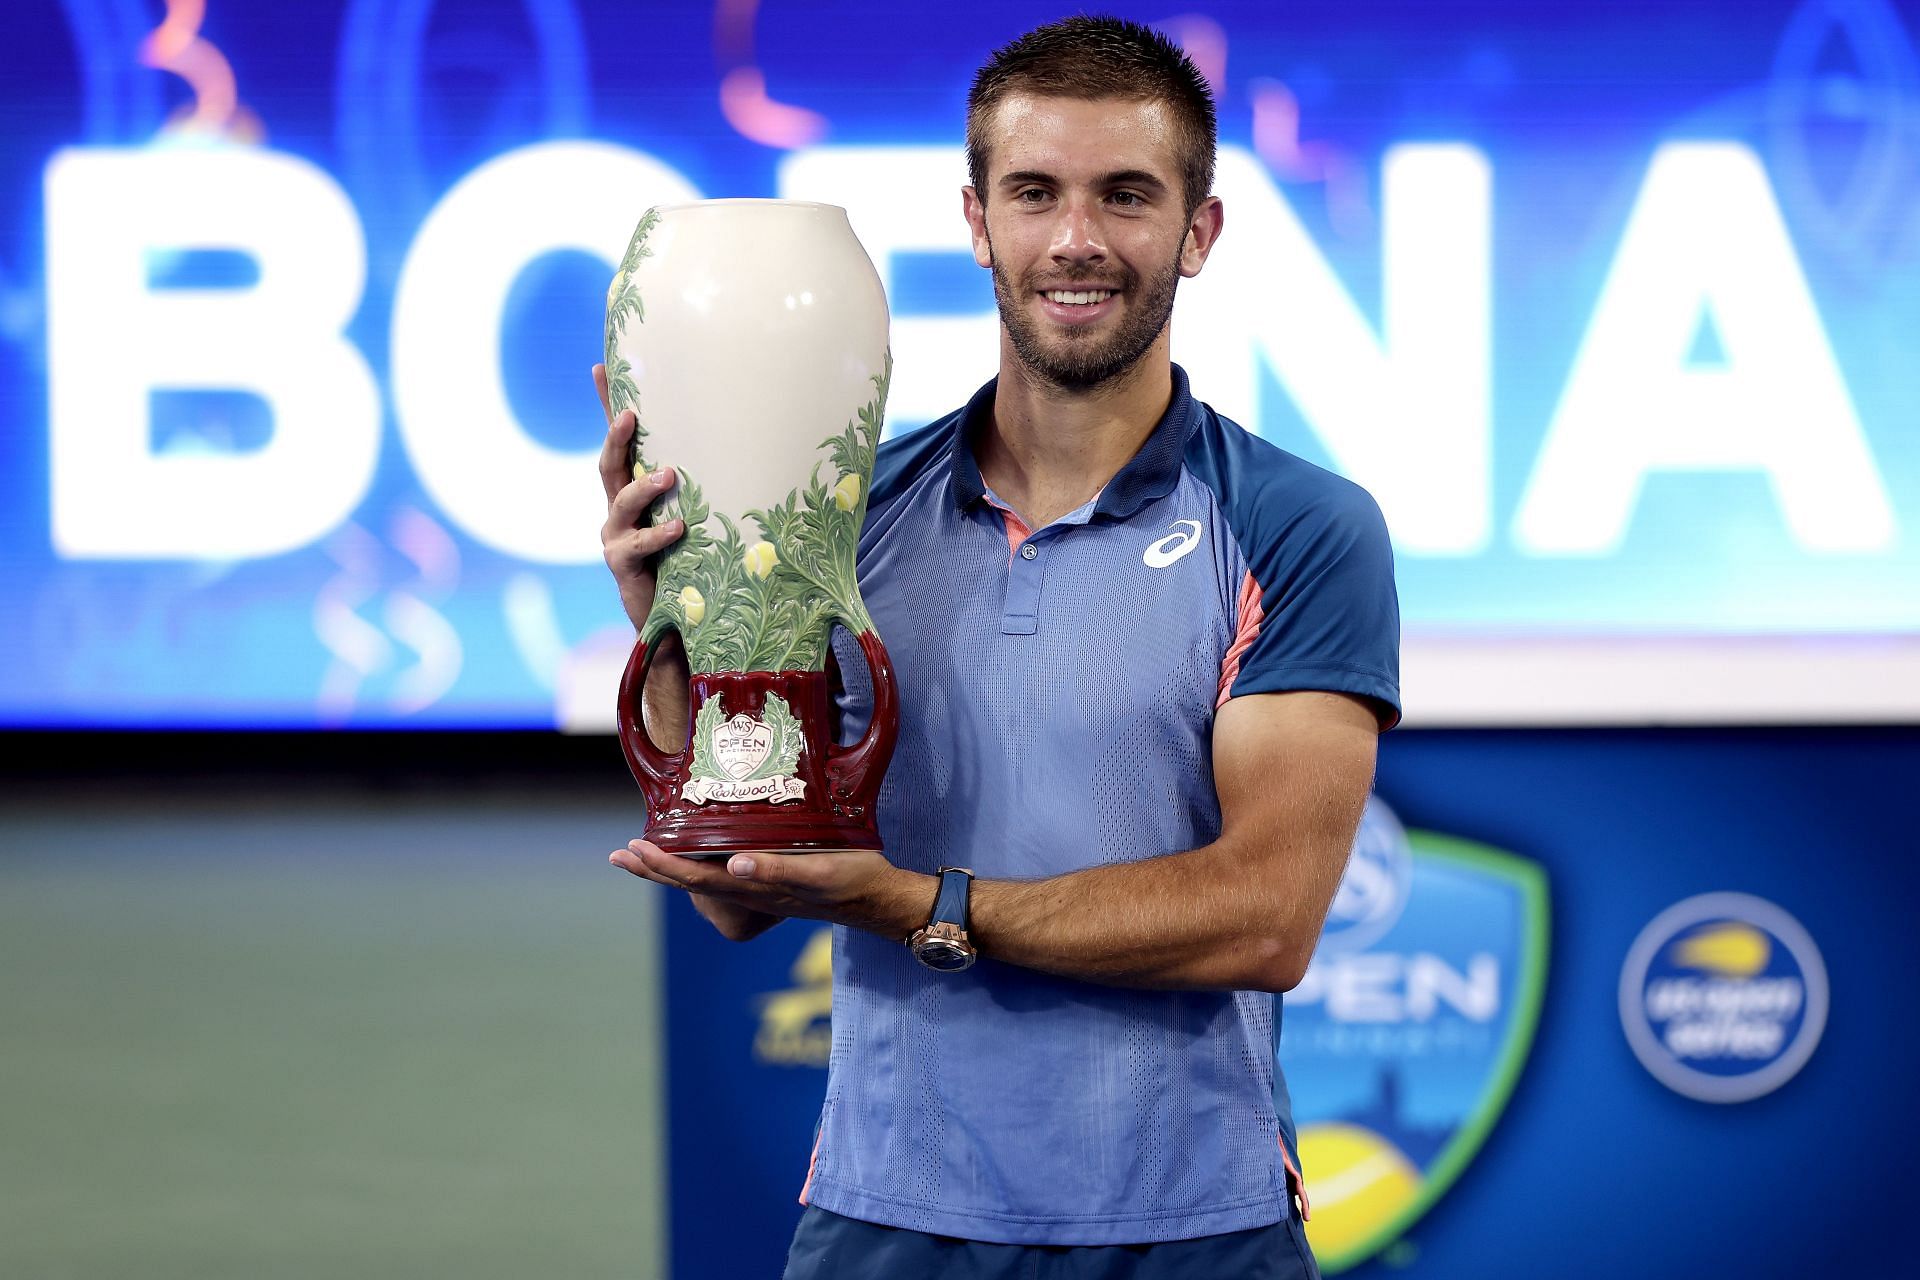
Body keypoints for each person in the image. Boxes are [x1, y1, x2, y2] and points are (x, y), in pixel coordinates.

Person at [598, 15, 1399, 1279]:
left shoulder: (1297, 525)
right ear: (977, 222)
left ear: (1202, 231)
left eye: (1126, 196)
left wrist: (932, 907)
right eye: (1035, 193)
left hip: (1194, 1228)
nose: (1076, 239)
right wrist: (685, 629)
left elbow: (1265, 919)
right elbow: (735, 901)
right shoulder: (841, 517)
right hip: (887, 1215)